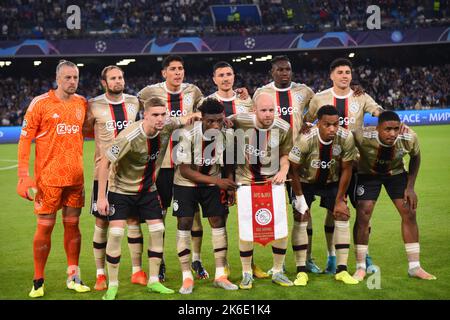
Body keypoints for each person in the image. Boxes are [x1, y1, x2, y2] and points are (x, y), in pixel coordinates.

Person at [96, 97, 198, 300]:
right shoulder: (129, 136)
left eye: (163, 114)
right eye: (155, 115)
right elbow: (105, 162)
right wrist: (101, 197)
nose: (160, 119)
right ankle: (113, 285)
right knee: (115, 233)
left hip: (147, 190)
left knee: (158, 230)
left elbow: (184, 119)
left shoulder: (167, 125)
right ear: (145, 115)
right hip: (121, 190)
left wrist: (197, 114)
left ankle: (153, 281)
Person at [17, 60, 90, 298]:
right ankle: (38, 281)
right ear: (57, 79)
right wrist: (23, 176)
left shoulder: (82, 103)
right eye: (68, 77)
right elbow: (25, 140)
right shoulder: (41, 103)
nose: (72, 82)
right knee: (45, 228)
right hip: (48, 179)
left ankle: (74, 276)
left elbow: (89, 131)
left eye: (75, 77)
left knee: (73, 227)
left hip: (75, 178)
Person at [304, 58, 384, 274]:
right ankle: (332, 257)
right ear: (331, 75)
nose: (344, 75)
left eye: (348, 71)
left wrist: (389, 120)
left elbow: (379, 112)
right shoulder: (319, 98)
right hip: (327, 164)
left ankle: (363, 256)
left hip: (356, 163)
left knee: (362, 211)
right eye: (340, 72)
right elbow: (307, 121)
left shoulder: (361, 96)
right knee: (333, 209)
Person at [137, 55, 207, 281]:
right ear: (164, 73)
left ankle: (196, 259)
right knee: (160, 216)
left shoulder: (193, 91)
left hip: (187, 164)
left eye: (181, 69)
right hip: (163, 165)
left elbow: (206, 109)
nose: (178, 73)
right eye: (173, 69)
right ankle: (161, 262)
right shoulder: (150, 92)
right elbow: (134, 107)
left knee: (193, 215)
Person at [253, 55, 320, 274]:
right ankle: (269, 265)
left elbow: (316, 107)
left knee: (303, 211)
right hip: (272, 161)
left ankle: (306, 259)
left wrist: (308, 122)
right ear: (272, 72)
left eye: (288, 69)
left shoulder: (304, 91)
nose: (285, 73)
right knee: (272, 212)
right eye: (280, 70)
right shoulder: (263, 93)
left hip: (300, 161)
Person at [83, 65, 146, 291]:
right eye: (113, 78)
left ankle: (137, 271)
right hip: (104, 173)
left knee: (133, 221)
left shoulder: (134, 102)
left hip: (130, 173)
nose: (118, 81)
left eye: (120, 77)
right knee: (102, 222)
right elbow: (86, 131)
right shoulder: (93, 105)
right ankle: (101, 275)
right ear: (104, 82)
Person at [352, 111, 436, 281]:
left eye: (396, 129)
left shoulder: (409, 137)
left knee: (409, 212)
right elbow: (345, 141)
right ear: (377, 129)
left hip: (396, 173)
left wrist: (410, 187)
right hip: (368, 174)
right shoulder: (362, 136)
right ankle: (360, 267)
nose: (392, 133)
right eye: (387, 129)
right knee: (363, 213)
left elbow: (416, 157)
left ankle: (415, 267)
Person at [173, 98, 238, 294]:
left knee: (218, 221)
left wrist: (230, 185)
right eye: (211, 121)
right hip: (186, 184)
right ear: (202, 118)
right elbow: (185, 170)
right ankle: (186, 277)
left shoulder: (227, 133)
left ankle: (220, 275)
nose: (215, 125)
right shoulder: (186, 133)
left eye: (219, 120)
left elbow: (229, 161)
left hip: (212, 181)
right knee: (184, 222)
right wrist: (220, 182)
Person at [289, 105, 359, 286]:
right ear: (318, 123)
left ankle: (342, 270)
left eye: (336, 124)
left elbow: (347, 169)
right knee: (301, 215)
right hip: (304, 182)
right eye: (327, 125)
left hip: (332, 181)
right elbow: (293, 170)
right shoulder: (305, 139)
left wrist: (340, 199)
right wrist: (299, 198)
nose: (332, 129)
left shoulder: (346, 137)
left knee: (342, 214)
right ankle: (301, 270)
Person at [230, 92, 294, 289]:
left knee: (281, 228)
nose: (268, 114)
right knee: (246, 230)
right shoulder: (240, 120)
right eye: (264, 110)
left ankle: (278, 270)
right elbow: (221, 124)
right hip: (246, 183)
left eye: (271, 110)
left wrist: (284, 170)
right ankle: (247, 273)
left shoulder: (283, 127)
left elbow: (284, 154)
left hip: (272, 183)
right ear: (254, 110)